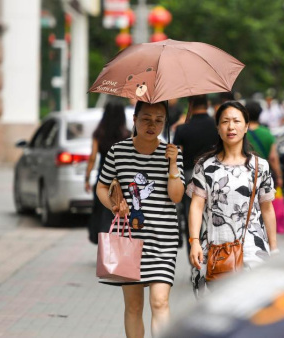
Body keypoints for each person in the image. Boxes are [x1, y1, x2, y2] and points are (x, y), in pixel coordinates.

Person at [96, 101, 185, 338]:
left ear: (165, 123)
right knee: (134, 306)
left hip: (163, 242)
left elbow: (176, 197)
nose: (152, 124)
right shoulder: (118, 151)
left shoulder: (172, 153)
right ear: (134, 119)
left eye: (159, 120)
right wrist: (114, 205)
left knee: (159, 302)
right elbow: (102, 187)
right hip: (130, 240)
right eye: (146, 118)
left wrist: (173, 164)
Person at [186, 101, 279, 297]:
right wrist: (194, 241)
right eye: (225, 121)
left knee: (252, 311)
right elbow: (196, 206)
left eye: (236, 121)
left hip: (253, 251)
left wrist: (274, 248)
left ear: (246, 127)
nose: (231, 126)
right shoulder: (205, 166)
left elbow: (267, 209)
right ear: (218, 128)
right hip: (213, 251)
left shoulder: (259, 166)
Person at [173, 95, 218, 253]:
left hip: (188, 174)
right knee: (214, 212)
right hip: (214, 174)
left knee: (190, 213)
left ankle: (194, 256)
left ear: (190, 105)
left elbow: (177, 154)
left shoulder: (182, 128)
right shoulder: (216, 125)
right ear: (207, 104)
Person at [85, 100, 131, 244]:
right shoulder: (127, 134)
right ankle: (115, 244)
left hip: (103, 180)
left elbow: (92, 157)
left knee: (101, 213)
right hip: (120, 180)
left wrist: (87, 178)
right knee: (117, 214)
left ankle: (104, 245)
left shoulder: (99, 133)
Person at [245, 100, 284, 188]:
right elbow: (273, 158)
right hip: (263, 174)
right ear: (260, 114)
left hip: (245, 173)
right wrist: (279, 176)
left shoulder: (241, 132)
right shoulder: (267, 133)